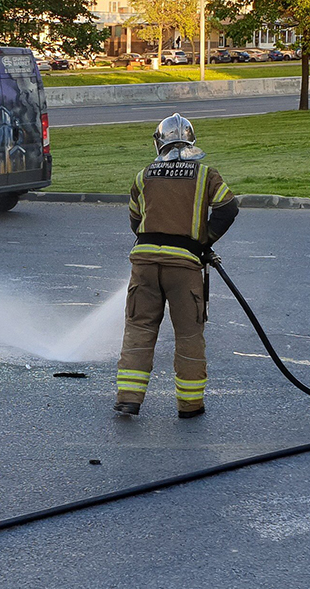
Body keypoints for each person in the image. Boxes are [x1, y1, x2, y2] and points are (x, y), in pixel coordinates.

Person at [114, 113, 239, 419]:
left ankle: (129, 399)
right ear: (191, 141)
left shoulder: (143, 175)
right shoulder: (206, 174)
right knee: (188, 335)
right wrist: (203, 243)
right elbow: (228, 208)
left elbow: (135, 220)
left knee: (139, 329)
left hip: (143, 264)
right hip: (183, 268)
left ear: (158, 143)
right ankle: (190, 405)